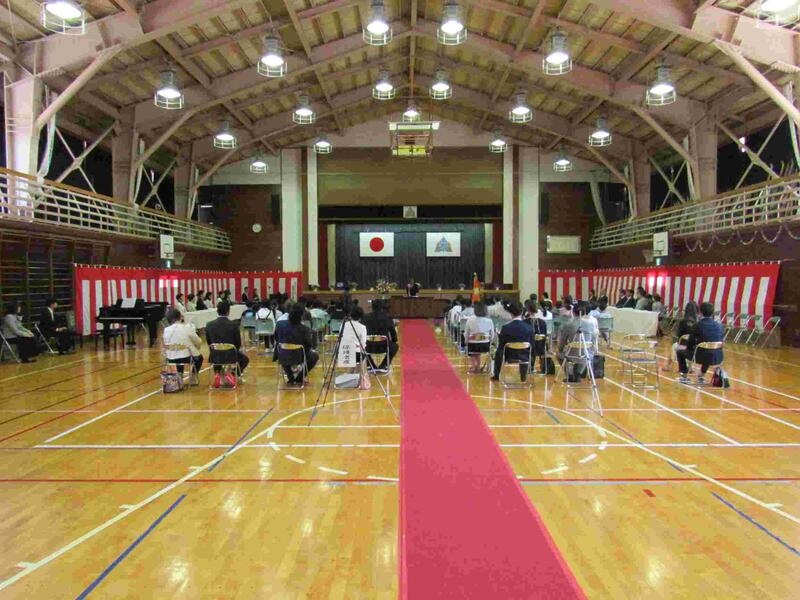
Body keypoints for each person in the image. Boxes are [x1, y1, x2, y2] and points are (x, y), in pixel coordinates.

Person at [678, 302, 724, 385]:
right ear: (712, 313)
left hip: (700, 356)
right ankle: (702, 375)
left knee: (680, 352)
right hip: (717, 357)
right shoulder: (719, 325)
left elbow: (690, 342)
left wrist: (688, 349)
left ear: (700, 312)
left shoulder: (698, 325)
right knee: (708, 351)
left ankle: (684, 376)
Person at [205, 302, 249, 388]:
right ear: (228, 311)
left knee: (217, 355)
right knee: (245, 359)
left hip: (215, 355)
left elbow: (209, 341)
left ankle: (218, 374)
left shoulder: (209, 325)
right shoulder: (233, 325)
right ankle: (231, 374)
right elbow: (238, 343)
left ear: (217, 311)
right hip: (230, 354)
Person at [274, 304, 318, 386]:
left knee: (283, 351)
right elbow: (309, 344)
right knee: (315, 356)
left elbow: (276, 338)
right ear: (300, 318)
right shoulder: (304, 329)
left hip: (282, 354)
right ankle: (299, 378)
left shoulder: (279, 324)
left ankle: (290, 377)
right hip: (298, 355)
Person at [492, 300, 533, 382]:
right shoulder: (529, 328)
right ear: (522, 312)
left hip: (509, 356)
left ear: (510, 313)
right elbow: (532, 344)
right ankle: (523, 377)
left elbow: (501, 346)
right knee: (527, 349)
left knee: (498, 351)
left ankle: (496, 375)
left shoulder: (505, 328)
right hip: (525, 355)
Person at [163, 308, 204, 377]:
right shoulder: (187, 327)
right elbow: (198, 341)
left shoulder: (166, 330)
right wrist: (197, 348)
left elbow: (166, 344)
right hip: (185, 358)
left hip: (171, 358)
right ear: (180, 317)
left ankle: (180, 375)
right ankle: (193, 375)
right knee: (199, 358)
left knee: (179, 356)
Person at [363, 299, 398, 371]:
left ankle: (371, 364)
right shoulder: (387, 317)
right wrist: (394, 340)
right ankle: (384, 364)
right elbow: (393, 334)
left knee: (361, 347)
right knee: (395, 346)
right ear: (382, 307)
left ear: (372, 307)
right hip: (384, 346)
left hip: (369, 346)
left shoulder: (365, 317)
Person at [667, 301, 699, 372]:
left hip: (684, 346)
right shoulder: (698, 322)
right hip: (695, 347)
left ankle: (668, 366)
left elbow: (679, 335)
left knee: (674, 346)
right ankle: (691, 367)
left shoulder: (683, 321)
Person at [464, 301, 494, 374]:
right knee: (478, 351)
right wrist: (490, 342)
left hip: (473, 345)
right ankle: (477, 366)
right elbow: (492, 334)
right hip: (485, 345)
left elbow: (466, 333)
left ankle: (474, 366)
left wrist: (466, 341)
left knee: (473, 352)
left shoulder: (470, 320)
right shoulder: (489, 321)